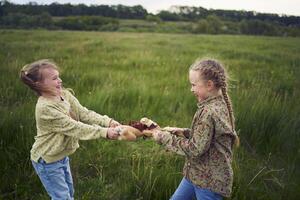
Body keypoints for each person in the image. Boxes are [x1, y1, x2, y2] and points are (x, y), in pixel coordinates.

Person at [20, 59, 120, 200]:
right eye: (54, 78)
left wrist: (107, 122)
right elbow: (74, 127)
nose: (60, 81)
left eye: (59, 76)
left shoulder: (64, 95)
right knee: (62, 197)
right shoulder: (45, 108)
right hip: (47, 160)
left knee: (69, 193)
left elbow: (83, 113)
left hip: (61, 156)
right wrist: (104, 132)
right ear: (39, 84)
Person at [151, 59, 239, 200]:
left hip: (210, 183)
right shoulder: (218, 104)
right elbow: (208, 137)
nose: (191, 89)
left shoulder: (209, 112)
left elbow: (195, 149)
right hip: (195, 175)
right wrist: (183, 132)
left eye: (193, 85)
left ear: (209, 85)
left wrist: (164, 138)